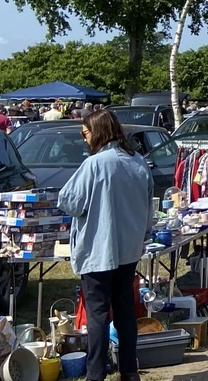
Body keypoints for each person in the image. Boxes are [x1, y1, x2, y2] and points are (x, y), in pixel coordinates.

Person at [57, 110, 152, 381]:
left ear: (98, 132)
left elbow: (69, 202)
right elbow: (148, 209)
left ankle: (95, 374)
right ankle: (130, 372)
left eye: (85, 133)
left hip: (101, 250)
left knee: (97, 314)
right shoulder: (138, 162)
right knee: (124, 310)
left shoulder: (95, 164)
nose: (83, 138)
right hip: (128, 249)